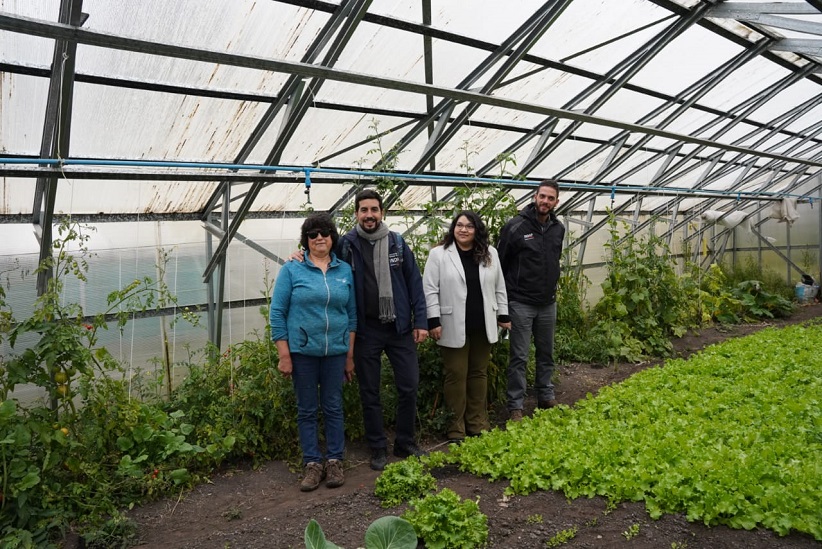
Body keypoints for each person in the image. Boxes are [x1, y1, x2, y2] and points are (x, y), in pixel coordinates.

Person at [289, 189, 429, 471]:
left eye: (374, 210)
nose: (369, 215)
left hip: (399, 328)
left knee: (409, 386)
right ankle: (377, 447)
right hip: (367, 330)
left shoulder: (397, 244)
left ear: (382, 213)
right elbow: (322, 254)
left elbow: (415, 283)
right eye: (363, 210)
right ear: (356, 214)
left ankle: (405, 441)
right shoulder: (347, 245)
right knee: (370, 391)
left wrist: (421, 322)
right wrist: (300, 254)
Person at [270, 212, 357, 492]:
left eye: (324, 232)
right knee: (306, 409)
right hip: (303, 352)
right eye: (312, 234)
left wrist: (349, 355)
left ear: (332, 237)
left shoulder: (344, 270)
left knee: (333, 407)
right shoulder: (292, 269)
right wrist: (284, 354)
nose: (319, 237)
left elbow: (351, 315)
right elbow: (277, 313)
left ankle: (334, 461)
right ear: (306, 241)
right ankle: (311, 464)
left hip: (335, 353)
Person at [423, 210, 510, 443]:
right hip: (451, 323)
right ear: (453, 228)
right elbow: (430, 290)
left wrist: (503, 313)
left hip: (483, 323)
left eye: (469, 226)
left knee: (478, 373)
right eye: (459, 225)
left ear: (476, 230)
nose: (463, 229)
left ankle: (477, 422)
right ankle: (455, 427)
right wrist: (433, 321)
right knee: (456, 374)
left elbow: (499, 286)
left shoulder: (489, 253)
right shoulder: (439, 255)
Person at [497, 180, 565, 422]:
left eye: (550, 198)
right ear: (535, 197)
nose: (545, 201)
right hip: (521, 303)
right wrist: (504, 305)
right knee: (519, 356)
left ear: (556, 202)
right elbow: (500, 265)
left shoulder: (558, 228)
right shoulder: (515, 227)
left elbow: (555, 259)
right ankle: (515, 405)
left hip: (548, 303)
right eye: (542, 196)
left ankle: (545, 395)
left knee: (547, 352)